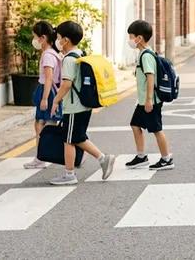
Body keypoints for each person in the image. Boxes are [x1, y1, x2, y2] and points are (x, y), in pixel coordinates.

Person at [49, 21, 116, 185]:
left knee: (69, 140)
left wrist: (56, 101)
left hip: (74, 107)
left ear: (65, 40)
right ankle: (102, 159)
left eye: (58, 38)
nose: (57, 41)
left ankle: (70, 174)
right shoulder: (81, 54)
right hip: (84, 105)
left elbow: (66, 84)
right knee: (77, 137)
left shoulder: (68, 60)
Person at [124, 20, 174, 170]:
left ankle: (166, 159)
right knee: (135, 125)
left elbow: (150, 77)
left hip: (150, 101)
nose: (130, 40)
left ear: (139, 38)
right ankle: (141, 156)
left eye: (131, 36)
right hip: (143, 100)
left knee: (156, 129)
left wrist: (148, 100)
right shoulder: (144, 53)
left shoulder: (146, 55)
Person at [24, 21, 63, 170]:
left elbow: (49, 78)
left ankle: (41, 157)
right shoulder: (54, 53)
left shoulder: (48, 56)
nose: (34, 40)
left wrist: (45, 98)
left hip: (47, 91)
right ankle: (41, 156)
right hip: (51, 91)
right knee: (43, 124)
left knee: (43, 125)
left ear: (43, 37)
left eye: (35, 37)